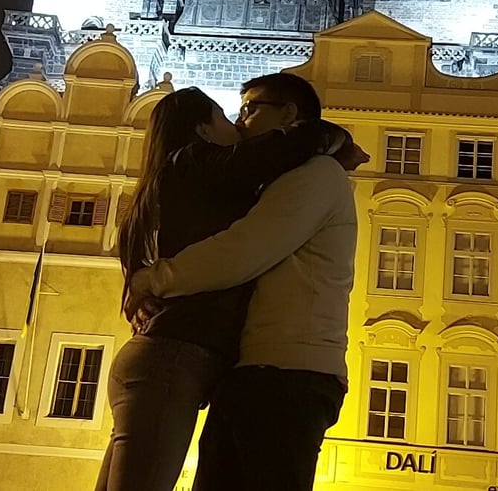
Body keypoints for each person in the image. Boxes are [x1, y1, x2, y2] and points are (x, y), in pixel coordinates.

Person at [95, 84, 345, 491]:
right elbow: (242, 243)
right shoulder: (197, 163)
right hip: (172, 358)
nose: (237, 123)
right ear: (203, 130)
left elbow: (241, 247)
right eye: (229, 115)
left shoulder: (169, 182)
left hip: (162, 358)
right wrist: (331, 137)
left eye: (245, 111)